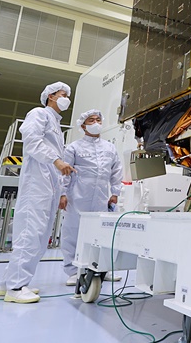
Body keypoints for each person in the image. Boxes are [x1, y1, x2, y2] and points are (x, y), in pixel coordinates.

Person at [0, 82, 75, 304]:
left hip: (48, 187)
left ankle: (8, 283)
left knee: (39, 237)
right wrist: (56, 160)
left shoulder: (56, 126)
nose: (66, 99)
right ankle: (16, 287)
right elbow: (31, 141)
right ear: (51, 96)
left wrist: (61, 192)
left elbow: (54, 162)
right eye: (63, 95)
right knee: (30, 234)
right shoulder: (39, 113)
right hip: (36, 185)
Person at [59, 109, 123, 286]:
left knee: (101, 232)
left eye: (98, 120)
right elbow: (64, 173)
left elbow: (116, 171)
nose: (96, 123)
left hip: (102, 195)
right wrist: (62, 193)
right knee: (73, 231)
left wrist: (115, 193)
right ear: (83, 125)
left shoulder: (110, 148)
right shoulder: (73, 147)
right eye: (91, 120)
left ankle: (101, 269)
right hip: (78, 194)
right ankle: (73, 271)